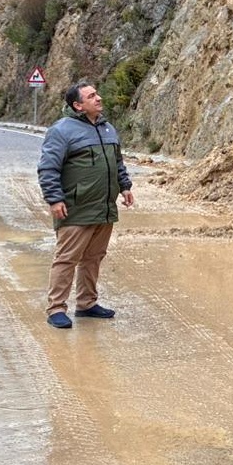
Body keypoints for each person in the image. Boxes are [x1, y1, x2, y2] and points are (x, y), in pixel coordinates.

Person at [37, 81, 134, 329]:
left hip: (104, 208)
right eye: (92, 96)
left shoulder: (108, 128)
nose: (99, 98)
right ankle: (56, 308)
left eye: (97, 94)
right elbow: (48, 168)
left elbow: (118, 162)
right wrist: (55, 198)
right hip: (75, 207)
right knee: (67, 258)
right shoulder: (61, 131)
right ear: (78, 105)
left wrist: (125, 187)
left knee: (94, 257)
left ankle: (87, 303)